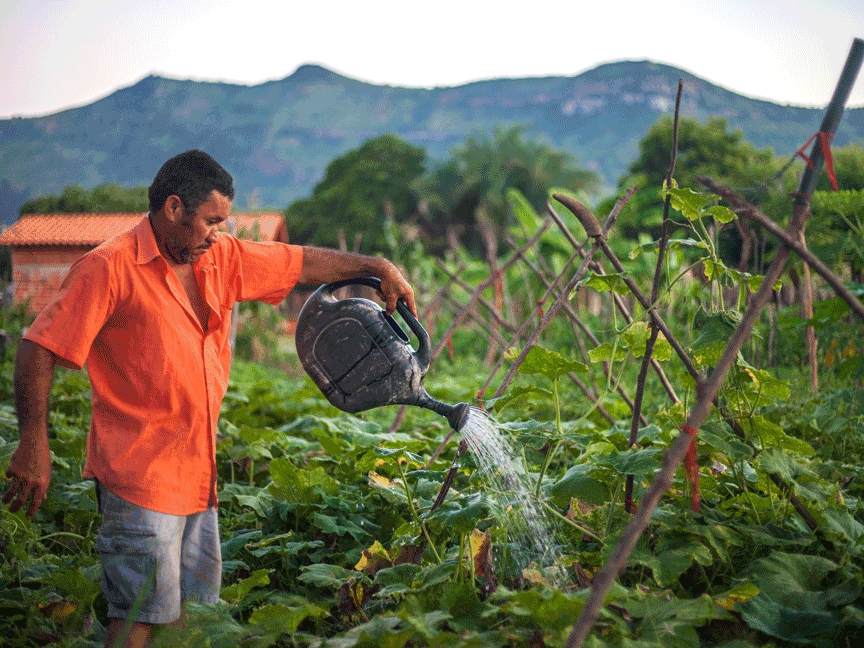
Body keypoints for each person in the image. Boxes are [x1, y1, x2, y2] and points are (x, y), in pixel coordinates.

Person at [1, 150, 417, 647]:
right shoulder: (109, 268)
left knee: (189, 622)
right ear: (173, 208)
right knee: (138, 617)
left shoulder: (219, 258)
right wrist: (33, 443)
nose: (217, 233)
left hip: (198, 478)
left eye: (223, 222)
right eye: (211, 221)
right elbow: (37, 348)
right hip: (138, 477)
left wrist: (376, 267)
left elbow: (301, 262)